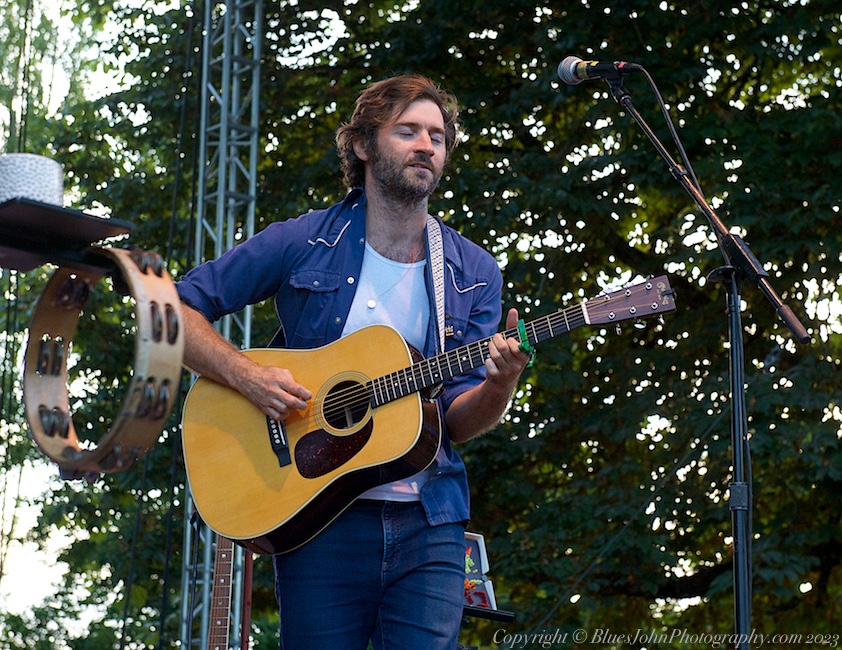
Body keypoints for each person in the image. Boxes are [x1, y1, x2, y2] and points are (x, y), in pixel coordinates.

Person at [175, 73, 530, 649]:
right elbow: (174, 309)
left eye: (438, 137)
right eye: (408, 131)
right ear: (363, 145)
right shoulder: (304, 241)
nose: (427, 145)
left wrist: (501, 385)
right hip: (318, 516)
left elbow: (457, 421)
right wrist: (246, 375)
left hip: (430, 522)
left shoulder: (472, 271)